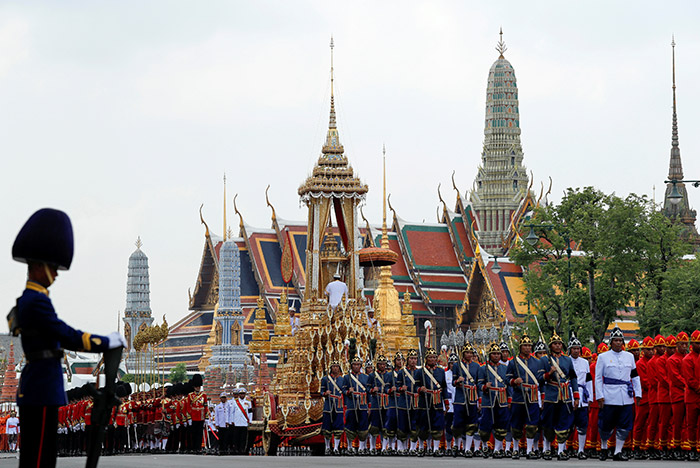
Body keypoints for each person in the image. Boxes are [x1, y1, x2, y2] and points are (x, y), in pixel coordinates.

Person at [11, 208, 126, 468]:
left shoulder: (33, 300)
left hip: (40, 385)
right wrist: (105, 342)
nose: (56, 273)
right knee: (39, 458)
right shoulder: (35, 301)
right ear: (38, 267)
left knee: (41, 455)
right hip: (41, 387)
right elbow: (65, 334)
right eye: (52, 267)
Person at [595, 326, 642, 461]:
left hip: (626, 397)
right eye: (615, 340)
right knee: (606, 424)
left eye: (620, 340)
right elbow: (598, 378)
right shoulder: (603, 357)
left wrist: (638, 393)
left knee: (624, 425)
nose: (618, 343)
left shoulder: (629, 357)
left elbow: (635, 376)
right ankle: (604, 448)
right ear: (611, 342)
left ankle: (618, 451)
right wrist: (599, 395)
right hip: (609, 395)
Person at [540, 332, 579, 461]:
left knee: (564, 422)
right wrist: (549, 373)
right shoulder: (544, 360)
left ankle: (561, 450)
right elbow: (539, 379)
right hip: (551, 394)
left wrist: (576, 395)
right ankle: (547, 448)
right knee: (548, 421)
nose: (557, 346)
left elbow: (573, 377)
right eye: (555, 344)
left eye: (559, 344)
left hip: (565, 394)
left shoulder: (567, 360)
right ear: (550, 346)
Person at [506, 332, 544, 460]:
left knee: (532, 424)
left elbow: (540, 380)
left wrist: (542, 397)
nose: (527, 348)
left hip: (532, 395)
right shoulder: (513, 362)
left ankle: (529, 450)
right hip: (518, 396)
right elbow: (507, 379)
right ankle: (516, 449)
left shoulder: (537, 362)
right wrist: (514, 381)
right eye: (525, 345)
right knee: (516, 424)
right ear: (520, 347)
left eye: (529, 345)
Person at [477, 342, 511, 458]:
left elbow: (508, 385)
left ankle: (497, 448)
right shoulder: (483, 368)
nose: (496, 356)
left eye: (498, 354)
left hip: (502, 399)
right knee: (485, 424)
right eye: (494, 354)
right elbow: (479, 384)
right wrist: (485, 387)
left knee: (501, 424)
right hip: (488, 399)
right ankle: (485, 446)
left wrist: (509, 400)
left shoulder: (505, 368)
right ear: (490, 355)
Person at [417, 348, 448, 457]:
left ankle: (435, 448)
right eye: (430, 357)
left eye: (434, 357)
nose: (432, 359)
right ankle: (421, 447)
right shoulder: (420, 371)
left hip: (437, 400)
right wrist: (420, 389)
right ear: (426, 359)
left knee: (437, 425)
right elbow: (416, 385)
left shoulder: (440, 371)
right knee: (423, 425)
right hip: (424, 401)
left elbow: (444, 387)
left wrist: (446, 402)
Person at [452, 342, 480, 457]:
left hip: (472, 397)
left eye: (470, 352)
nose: (469, 354)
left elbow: (478, 383)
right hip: (460, 397)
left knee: (471, 423)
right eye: (467, 352)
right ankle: (457, 446)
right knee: (458, 423)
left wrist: (479, 400)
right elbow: (453, 382)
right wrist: (458, 381)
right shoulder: (457, 365)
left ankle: (468, 448)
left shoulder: (476, 366)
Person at [569, 334, 593, 460]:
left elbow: (588, 380)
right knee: (567, 424)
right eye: (574, 348)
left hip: (582, 396)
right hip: (569, 395)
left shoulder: (584, 362)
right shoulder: (565, 361)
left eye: (578, 348)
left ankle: (580, 449)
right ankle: (566, 449)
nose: (576, 350)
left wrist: (590, 399)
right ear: (570, 349)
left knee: (582, 424)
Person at [343, 356, 370, 455]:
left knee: (363, 426)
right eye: (354, 364)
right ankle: (350, 447)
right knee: (350, 426)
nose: (356, 366)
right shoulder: (347, 377)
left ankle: (362, 447)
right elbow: (343, 390)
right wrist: (348, 392)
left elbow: (368, 392)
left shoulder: (366, 377)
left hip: (362, 404)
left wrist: (369, 405)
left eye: (358, 364)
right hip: (351, 404)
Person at [668, 332, 689, 460]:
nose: (684, 346)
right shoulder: (672, 360)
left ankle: (686, 445)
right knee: (677, 423)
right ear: (677, 345)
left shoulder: (687, 358)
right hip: (677, 395)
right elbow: (676, 378)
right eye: (682, 344)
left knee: (688, 424)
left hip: (688, 394)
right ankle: (676, 446)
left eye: (686, 344)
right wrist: (688, 384)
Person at [681, 330, 700, 462]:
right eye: (698, 343)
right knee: (691, 425)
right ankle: (692, 450)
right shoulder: (688, 359)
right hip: (692, 397)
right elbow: (690, 380)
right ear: (692, 343)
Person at [321, 361, 345, 455]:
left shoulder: (342, 380)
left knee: (338, 427)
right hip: (328, 405)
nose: (335, 368)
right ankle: (327, 447)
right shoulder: (325, 379)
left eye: (337, 366)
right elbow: (321, 392)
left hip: (338, 405)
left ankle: (336, 447)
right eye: (333, 366)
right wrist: (325, 393)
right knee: (327, 427)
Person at [230, 387, 251, 455]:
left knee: (243, 438)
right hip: (237, 422)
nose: (242, 395)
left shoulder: (248, 402)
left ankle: (242, 449)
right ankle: (236, 449)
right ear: (239, 394)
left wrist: (249, 420)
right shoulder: (235, 402)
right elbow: (232, 412)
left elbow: (250, 412)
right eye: (241, 394)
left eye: (243, 394)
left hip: (244, 422)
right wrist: (232, 420)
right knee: (236, 437)